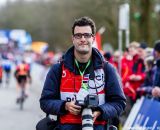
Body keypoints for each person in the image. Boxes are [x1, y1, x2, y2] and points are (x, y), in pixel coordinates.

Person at [40, 16, 126, 130]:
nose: (83, 39)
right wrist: (64, 105)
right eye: (78, 35)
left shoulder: (107, 69)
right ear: (73, 39)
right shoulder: (58, 69)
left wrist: (100, 111)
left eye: (86, 35)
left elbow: (119, 103)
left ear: (93, 38)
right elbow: (45, 101)